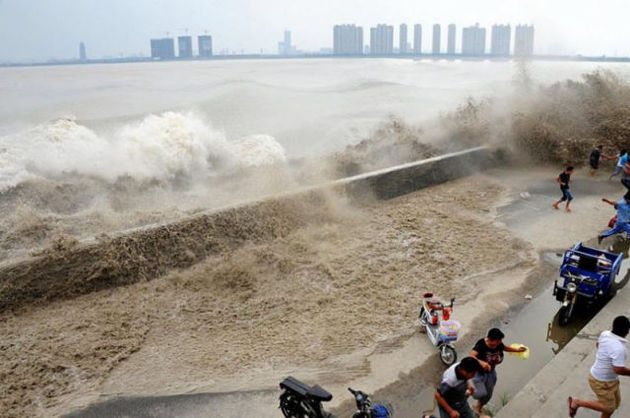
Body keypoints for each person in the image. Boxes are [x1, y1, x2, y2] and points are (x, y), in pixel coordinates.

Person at [568, 316, 630, 417]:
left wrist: (606, 355)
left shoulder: (605, 334)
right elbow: (618, 369)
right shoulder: (620, 348)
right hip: (600, 382)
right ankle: (577, 402)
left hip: (610, 379)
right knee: (609, 407)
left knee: (615, 404)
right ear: (626, 331)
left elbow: (598, 345)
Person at [469, 328, 527, 416]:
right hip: (480, 373)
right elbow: (471, 355)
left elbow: (505, 348)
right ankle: (468, 391)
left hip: (491, 372)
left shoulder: (498, 344)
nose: (498, 343)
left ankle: (478, 408)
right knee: (480, 393)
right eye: (497, 341)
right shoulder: (481, 344)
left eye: (499, 341)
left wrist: (517, 350)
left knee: (488, 394)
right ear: (489, 339)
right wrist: (482, 363)